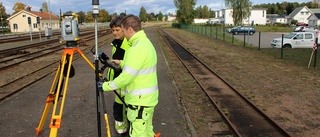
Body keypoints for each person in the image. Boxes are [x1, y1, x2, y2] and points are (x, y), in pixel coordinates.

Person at [100, 14, 159, 137]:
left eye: (123, 30)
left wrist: (105, 86)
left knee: (138, 134)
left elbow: (126, 77)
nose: (124, 34)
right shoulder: (145, 43)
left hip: (139, 102)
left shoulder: (136, 48)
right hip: (148, 99)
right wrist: (122, 63)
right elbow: (139, 66)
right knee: (147, 132)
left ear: (130, 29)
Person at [107, 16, 130, 136]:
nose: (115, 33)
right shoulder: (115, 44)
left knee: (129, 109)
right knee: (118, 108)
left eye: (117, 30)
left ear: (124, 29)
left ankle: (129, 129)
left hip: (127, 84)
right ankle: (121, 129)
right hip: (118, 84)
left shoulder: (130, 45)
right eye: (113, 30)